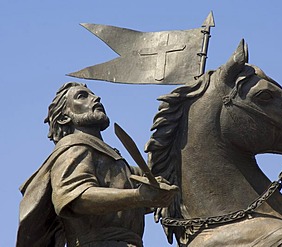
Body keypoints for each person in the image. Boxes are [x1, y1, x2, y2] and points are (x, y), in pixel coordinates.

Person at [17, 82, 178, 247]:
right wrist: (138, 196)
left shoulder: (111, 158)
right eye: (82, 96)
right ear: (65, 117)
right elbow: (75, 198)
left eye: (92, 94)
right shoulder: (74, 147)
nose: (96, 98)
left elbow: (136, 193)